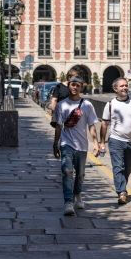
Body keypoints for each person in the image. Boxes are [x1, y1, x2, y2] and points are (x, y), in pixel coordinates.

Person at [52, 74, 100, 216]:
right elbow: (59, 126)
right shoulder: (62, 104)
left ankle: (77, 194)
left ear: (81, 87)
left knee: (80, 174)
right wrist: (55, 143)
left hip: (82, 145)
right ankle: (68, 202)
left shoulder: (87, 105)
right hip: (66, 143)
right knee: (67, 171)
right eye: (73, 84)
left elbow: (91, 125)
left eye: (78, 85)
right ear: (69, 85)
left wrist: (96, 143)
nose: (75, 87)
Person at [100, 77, 131, 205]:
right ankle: (121, 192)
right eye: (122, 86)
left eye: (126, 85)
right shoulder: (110, 104)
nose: (125, 88)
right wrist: (101, 142)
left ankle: (122, 187)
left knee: (127, 168)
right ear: (115, 89)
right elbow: (104, 124)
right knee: (118, 167)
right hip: (116, 140)